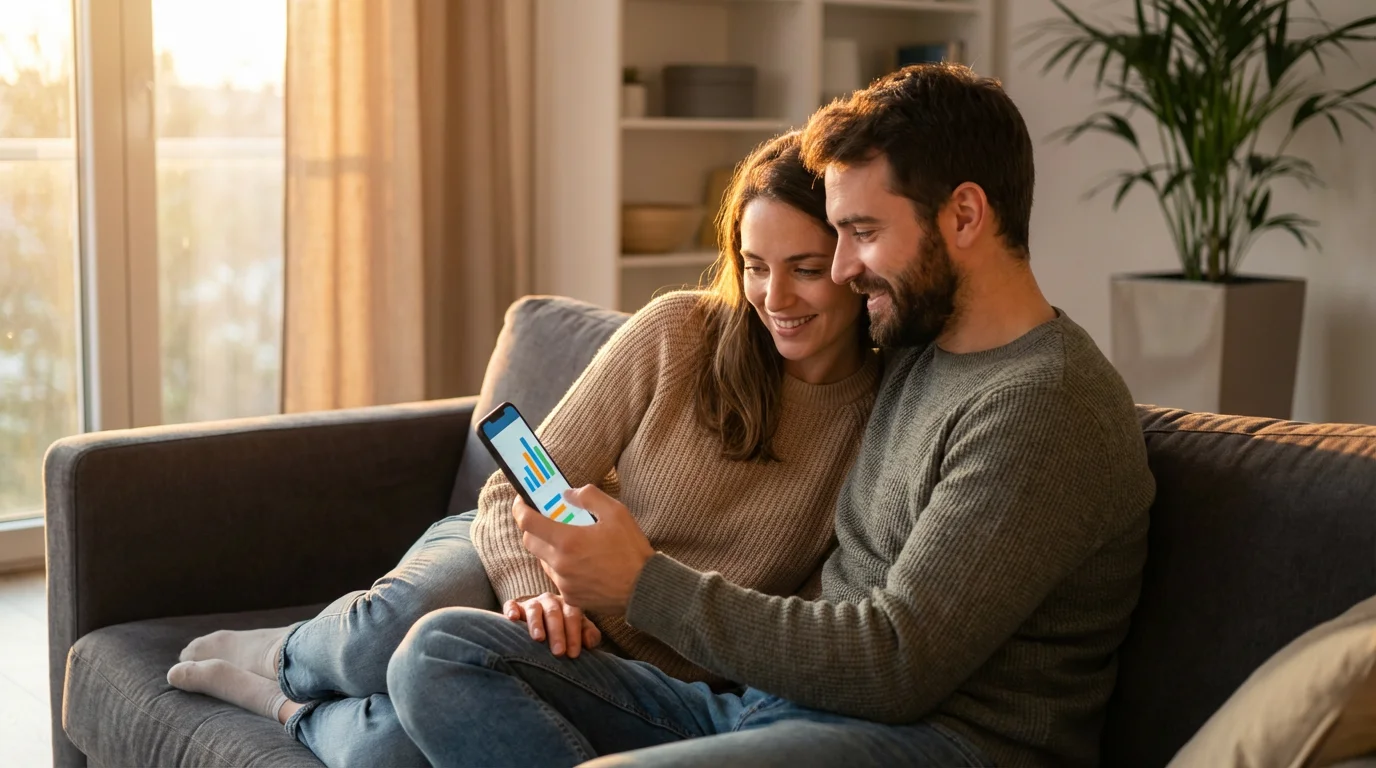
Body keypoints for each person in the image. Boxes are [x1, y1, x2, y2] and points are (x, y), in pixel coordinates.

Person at [385, 63, 1157, 768]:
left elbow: (895, 663)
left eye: (862, 233)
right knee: (444, 651)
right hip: (776, 708)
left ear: (963, 215)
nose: (848, 268)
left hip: (936, 741)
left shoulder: (1045, 402)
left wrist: (645, 582)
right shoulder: (920, 353)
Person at [163, 132, 883, 767]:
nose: (774, 295)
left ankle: (290, 712)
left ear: (855, 266)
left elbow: (803, 625)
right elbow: (514, 490)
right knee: (379, 637)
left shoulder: (881, 420)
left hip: (629, 662)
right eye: (755, 265)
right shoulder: (679, 334)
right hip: (523, 552)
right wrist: (535, 599)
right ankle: (286, 656)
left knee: (390, 752)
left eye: (806, 268)